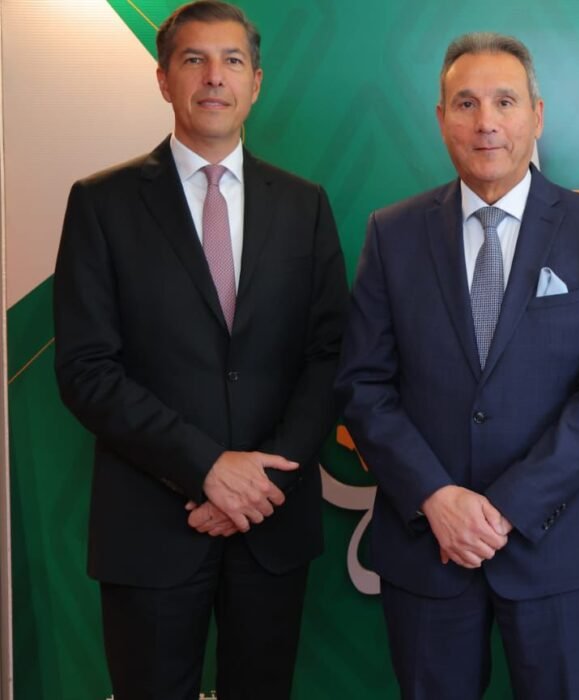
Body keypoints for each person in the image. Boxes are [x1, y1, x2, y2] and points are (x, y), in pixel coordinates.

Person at [52, 2, 348, 697]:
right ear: (163, 79)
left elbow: (330, 355)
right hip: (151, 526)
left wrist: (261, 485)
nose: (214, 76)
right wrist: (206, 469)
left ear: (256, 82)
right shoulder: (102, 204)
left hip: (271, 525)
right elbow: (86, 369)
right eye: (194, 59)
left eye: (232, 61)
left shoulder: (304, 205)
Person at [334, 32, 579, 700]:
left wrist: (505, 508)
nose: (486, 122)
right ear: (441, 119)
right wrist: (436, 499)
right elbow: (364, 384)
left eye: (505, 101)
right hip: (427, 546)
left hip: (557, 547)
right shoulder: (392, 233)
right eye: (466, 103)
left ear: (537, 114)